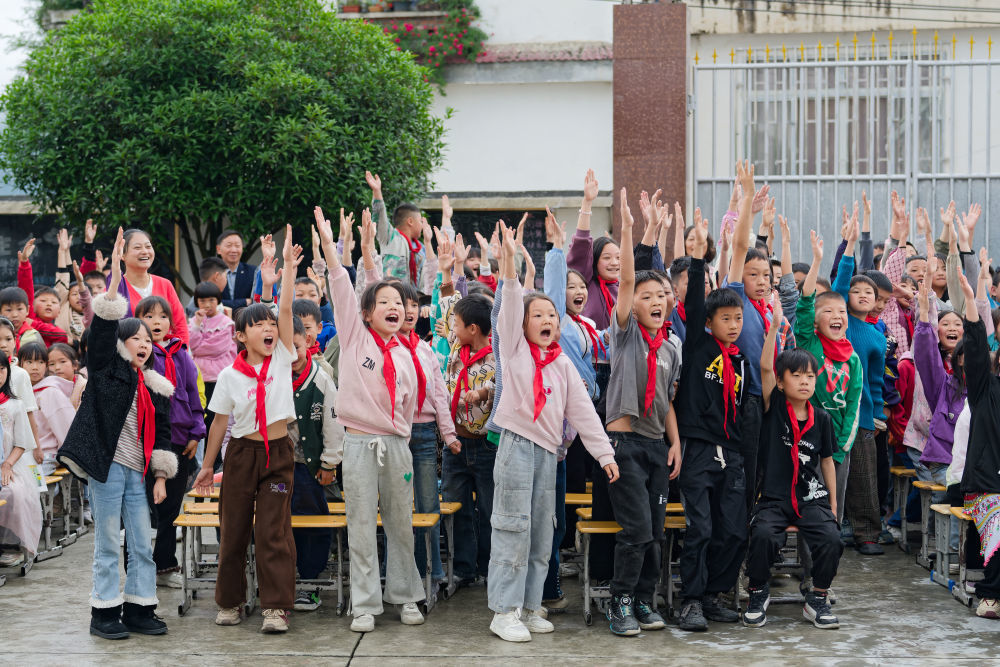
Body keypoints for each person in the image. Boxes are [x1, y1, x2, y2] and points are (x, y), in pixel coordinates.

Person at [488, 220, 619, 643]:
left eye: (550, 314)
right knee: (513, 526)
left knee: (543, 529)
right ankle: (504, 611)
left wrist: (605, 455)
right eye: (537, 315)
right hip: (516, 446)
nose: (546, 319)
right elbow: (509, 305)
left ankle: (529, 605)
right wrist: (509, 266)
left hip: (550, 453)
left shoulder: (562, 363)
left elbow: (583, 414)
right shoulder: (513, 349)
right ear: (523, 325)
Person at [57, 227, 178, 640]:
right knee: (108, 544)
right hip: (107, 469)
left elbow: (162, 436)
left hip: (139, 474)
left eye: (147, 340)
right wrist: (112, 283)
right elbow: (104, 330)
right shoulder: (108, 371)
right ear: (122, 344)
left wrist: (161, 476)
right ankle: (104, 613)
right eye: (135, 339)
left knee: (142, 543)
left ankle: (140, 608)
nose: (143, 345)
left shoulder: (155, 386)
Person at [316, 206, 428, 634]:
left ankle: (406, 595)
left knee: (402, 525)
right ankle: (365, 603)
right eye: (383, 302)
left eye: (399, 303)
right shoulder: (354, 334)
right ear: (366, 314)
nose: (394, 307)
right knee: (360, 525)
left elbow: (409, 406)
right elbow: (347, 286)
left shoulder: (405, 354)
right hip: (359, 444)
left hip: (397, 446)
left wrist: (371, 258)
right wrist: (335, 247)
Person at [193, 226, 301, 634]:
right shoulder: (228, 377)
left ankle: (276, 607)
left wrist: (287, 270)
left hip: (278, 454)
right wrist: (207, 467)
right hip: (241, 455)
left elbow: (285, 310)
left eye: (270, 326)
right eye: (258, 326)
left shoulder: (280, 360)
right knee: (234, 530)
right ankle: (230, 601)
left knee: (273, 532)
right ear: (240, 336)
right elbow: (219, 423)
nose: (268, 329)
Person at [603, 190, 682, 636]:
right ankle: (621, 604)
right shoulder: (626, 333)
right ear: (632, 304)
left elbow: (668, 398)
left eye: (662, 295)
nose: (656, 300)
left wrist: (675, 443)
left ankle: (646, 602)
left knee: (654, 531)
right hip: (624, 446)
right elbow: (628, 282)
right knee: (634, 530)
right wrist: (631, 229)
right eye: (647, 295)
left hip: (655, 446)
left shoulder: (672, 346)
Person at [744, 298, 843, 630]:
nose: (805, 381)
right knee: (762, 537)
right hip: (773, 499)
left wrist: (831, 501)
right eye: (797, 376)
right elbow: (764, 368)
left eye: (810, 376)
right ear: (783, 382)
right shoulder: (774, 409)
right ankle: (758, 590)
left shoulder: (823, 419)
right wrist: (773, 329)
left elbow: (827, 461)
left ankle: (817, 597)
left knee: (832, 538)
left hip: (810, 498)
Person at [675, 206, 748, 633]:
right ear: (708, 322)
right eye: (727, 319)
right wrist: (701, 256)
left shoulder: (739, 362)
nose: (734, 325)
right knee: (700, 528)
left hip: (732, 450)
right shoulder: (699, 346)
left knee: (734, 530)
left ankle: (714, 594)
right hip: (698, 447)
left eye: (738, 318)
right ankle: (690, 601)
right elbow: (697, 298)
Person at [135, 295, 205, 588]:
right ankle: (137, 567)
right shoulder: (135, 355)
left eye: (162, 316)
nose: (156, 322)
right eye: (148, 316)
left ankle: (165, 565)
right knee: (140, 507)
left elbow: (192, 393)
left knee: (171, 508)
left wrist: (196, 431)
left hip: (179, 441)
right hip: (144, 443)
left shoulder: (181, 355)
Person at [794, 232, 863, 522]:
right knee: (810, 505)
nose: (837, 316)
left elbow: (854, 405)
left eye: (841, 311)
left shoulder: (853, 358)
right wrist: (817, 261)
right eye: (828, 311)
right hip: (807, 439)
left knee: (835, 507)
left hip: (839, 447)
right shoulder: (810, 345)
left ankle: (829, 562)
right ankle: (811, 564)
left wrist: (841, 447)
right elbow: (805, 303)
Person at [832, 213, 886, 555]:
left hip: (865, 415)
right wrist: (850, 245)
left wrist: (879, 413)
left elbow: (877, 380)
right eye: (857, 290)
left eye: (869, 291)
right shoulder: (840, 319)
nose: (862, 294)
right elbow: (839, 281)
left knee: (866, 479)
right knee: (833, 475)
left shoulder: (877, 336)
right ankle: (831, 528)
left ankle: (867, 534)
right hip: (832, 411)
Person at [288, 316, 343, 612]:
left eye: (295, 346)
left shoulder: (321, 378)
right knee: (282, 525)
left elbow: (333, 425)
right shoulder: (271, 376)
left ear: (307, 343)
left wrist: (330, 462)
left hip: (309, 469)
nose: (291, 355)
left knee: (313, 525)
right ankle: (285, 580)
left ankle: (310, 583)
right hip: (278, 469)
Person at [956, 270, 1000, 618]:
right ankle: (991, 594)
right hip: (987, 486)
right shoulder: (986, 387)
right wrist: (972, 300)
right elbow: (974, 349)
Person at [0, 350, 43, 568]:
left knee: (12, 492)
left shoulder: (14, 405)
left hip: (11, 464)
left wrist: (7, 464)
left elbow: (21, 442)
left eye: (1, 369)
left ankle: (11, 544)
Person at [110, 229, 189, 344]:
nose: (145, 252)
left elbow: (179, 325)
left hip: (164, 356)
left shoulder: (165, 284)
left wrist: (181, 355)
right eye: (137, 248)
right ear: (122, 254)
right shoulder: (115, 287)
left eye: (148, 246)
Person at [17, 343, 75, 475]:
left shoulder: (50, 392)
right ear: (20, 365)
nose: (35, 367)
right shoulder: (19, 391)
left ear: (46, 365)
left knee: (30, 482)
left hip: (46, 455)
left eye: (40, 362)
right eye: (29, 362)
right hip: (22, 455)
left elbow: (66, 426)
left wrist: (66, 456)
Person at [367, 170, 425, 287]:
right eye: (420, 221)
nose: (422, 225)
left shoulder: (421, 247)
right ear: (410, 221)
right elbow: (380, 217)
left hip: (414, 300)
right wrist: (377, 192)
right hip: (393, 296)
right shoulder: (390, 237)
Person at [188, 280, 237, 418]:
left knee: (219, 417)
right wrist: (197, 325)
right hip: (199, 377)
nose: (207, 305)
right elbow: (191, 345)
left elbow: (217, 348)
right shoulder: (194, 321)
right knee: (202, 416)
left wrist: (198, 347)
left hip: (220, 377)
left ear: (218, 300)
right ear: (197, 302)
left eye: (211, 300)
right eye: (202, 301)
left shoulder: (226, 323)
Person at [216, 229, 257, 310]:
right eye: (229, 246)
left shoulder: (253, 272)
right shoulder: (213, 273)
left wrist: (224, 304)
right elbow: (211, 303)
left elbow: (256, 303)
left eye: (237, 246)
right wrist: (245, 302)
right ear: (218, 249)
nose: (234, 250)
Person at [47, 342, 88, 410]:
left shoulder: (84, 386)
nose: (57, 367)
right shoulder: (47, 389)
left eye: (62, 361)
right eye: (51, 364)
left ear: (75, 365)